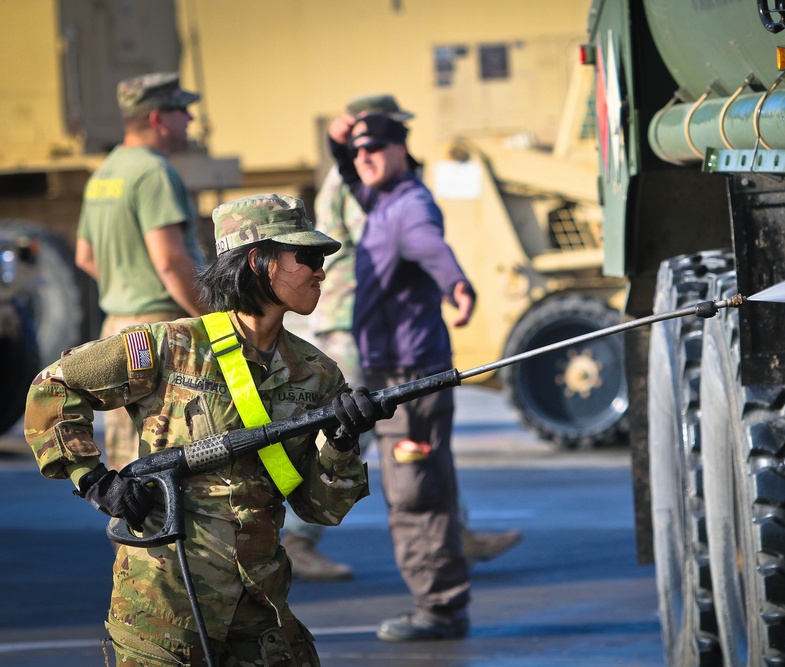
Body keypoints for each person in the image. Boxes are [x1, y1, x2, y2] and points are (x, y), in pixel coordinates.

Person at [25, 193, 389, 665]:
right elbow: (54, 385)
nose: (321, 271)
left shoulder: (316, 373)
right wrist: (93, 480)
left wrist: (342, 442)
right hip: (163, 604)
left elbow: (319, 509)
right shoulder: (170, 346)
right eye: (308, 257)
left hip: (259, 609)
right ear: (260, 260)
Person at [283, 94, 522, 582]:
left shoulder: (367, 176)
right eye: (367, 141)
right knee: (358, 428)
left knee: (412, 437)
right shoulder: (370, 181)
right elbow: (408, 232)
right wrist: (453, 281)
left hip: (371, 320)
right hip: (355, 321)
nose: (371, 154)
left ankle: (455, 533)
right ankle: (298, 538)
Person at [326, 100, 479, 642]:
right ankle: (439, 603)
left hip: (411, 378)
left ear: (400, 151)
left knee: (418, 495)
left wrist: (454, 282)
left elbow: (426, 245)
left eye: (373, 148)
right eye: (357, 149)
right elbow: (352, 173)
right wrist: (336, 143)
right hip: (395, 373)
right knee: (413, 490)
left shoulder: (408, 203)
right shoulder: (381, 196)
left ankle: (439, 609)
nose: (362, 157)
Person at [75, 71, 208, 474]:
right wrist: (215, 319)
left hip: (117, 329)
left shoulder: (105, 173)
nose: (189, 119)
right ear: (157, 119)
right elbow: (169, 260)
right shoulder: (154, 173)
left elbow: (86, 256)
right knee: (168, 454)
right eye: (181, 110)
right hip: (160, 330)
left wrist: (128, 288)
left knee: (127, 462)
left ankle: (130, 539)